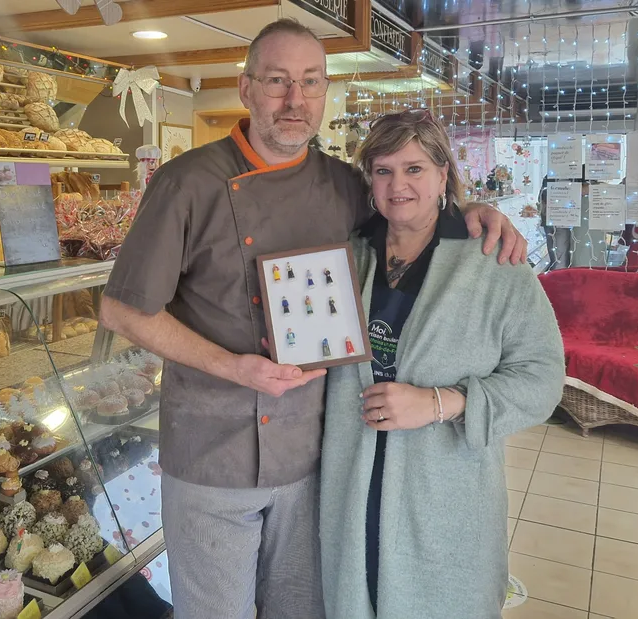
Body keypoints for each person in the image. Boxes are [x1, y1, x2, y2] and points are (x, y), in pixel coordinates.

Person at [99, 19, 527, 619]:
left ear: (326, 92)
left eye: (310, 82)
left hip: (312, 460)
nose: (294, 101)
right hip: (211, 456)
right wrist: (233, 367)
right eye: (277, 81)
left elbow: (409, 206)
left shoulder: (344, 185)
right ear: (246, 89)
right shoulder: (186, 182)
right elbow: (121, 309)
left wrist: (472, 211)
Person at [320, 109, 565, 618]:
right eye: (383, 171)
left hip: (443, 488)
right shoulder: (351, 253)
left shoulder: (494, 261)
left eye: (414, 169)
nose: (398, 185)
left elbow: (542, 378)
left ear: (443, 175)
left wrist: (438, 403)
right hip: (352, 478)